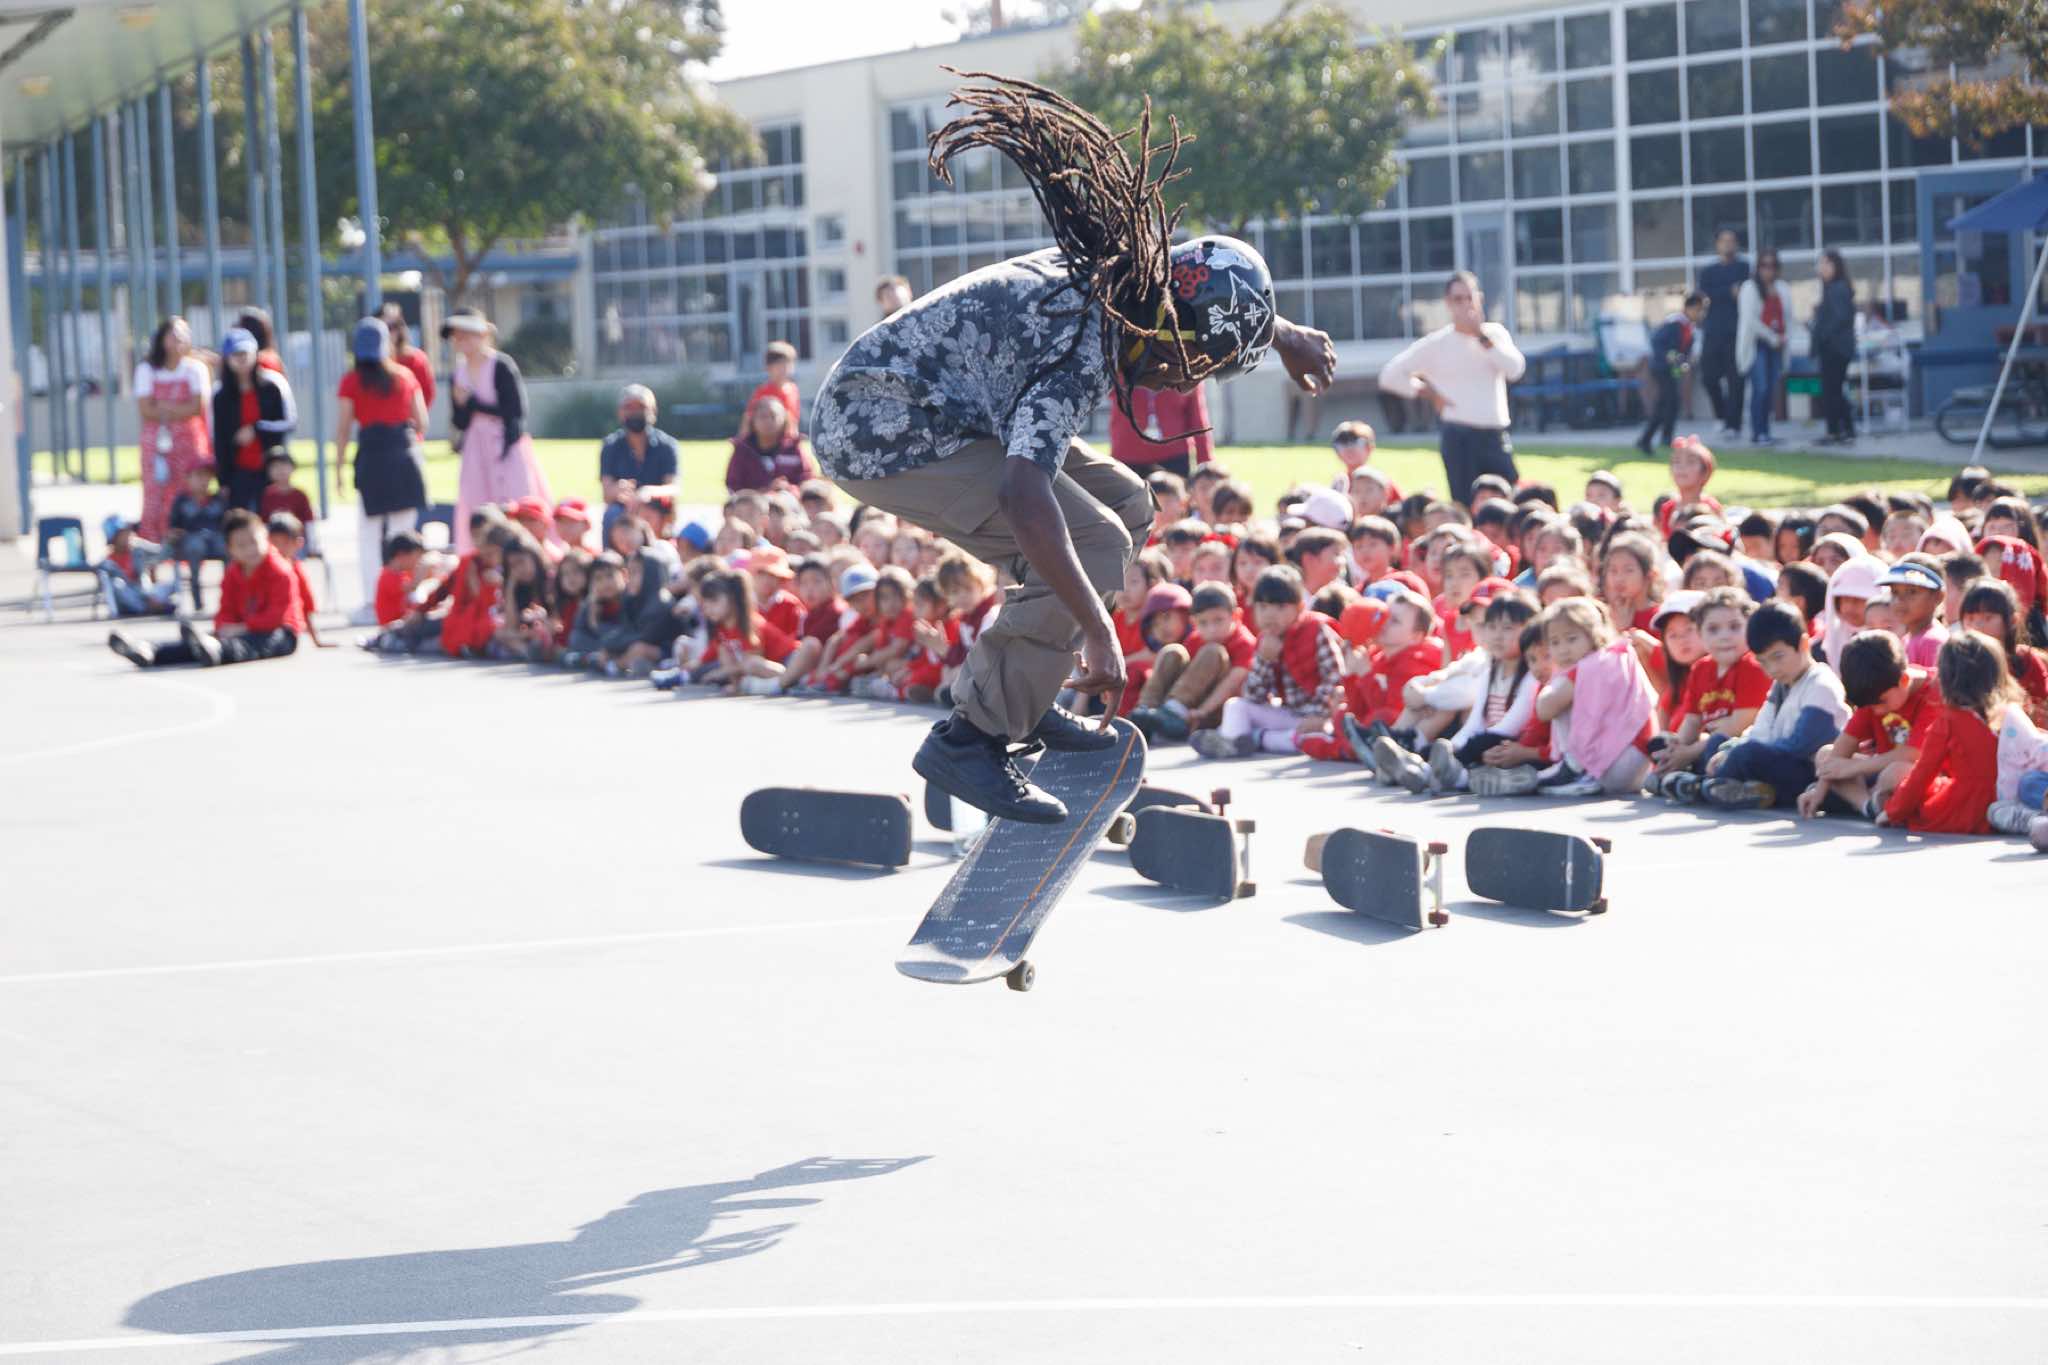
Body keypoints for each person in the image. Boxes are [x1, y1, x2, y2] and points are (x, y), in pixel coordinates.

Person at [811, 74, 1334, 823]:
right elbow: (1021, 495)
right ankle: (972, 739)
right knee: (1091, 541)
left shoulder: (1124, 280)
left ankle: (1019, 691)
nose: (1185, 380)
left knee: (1127, 503)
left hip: (937, 407)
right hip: (882, 433)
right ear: (1169, 334)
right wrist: (1096, 631)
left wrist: (1281, 333)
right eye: (1195, 364)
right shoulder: (1081, 348)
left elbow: (1201, 285)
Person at [1377, 271, 1525, 506]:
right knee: (1464, 503)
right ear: (1448, 303)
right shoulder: (1437, 344)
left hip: (1494, 433)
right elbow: (1390, 376)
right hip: (1459, 435)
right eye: (1458, 299)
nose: (1465, 305)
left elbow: (1515, 369)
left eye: (1469, 298)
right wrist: (1426, 392)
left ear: (1479, 299)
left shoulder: (1494, 334)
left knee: (1509, 500)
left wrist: (1481, 337)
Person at [1698, 601, 1851, 808]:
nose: (1772, 669)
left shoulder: (1821, 684)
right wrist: (1730, 748)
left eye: (1778, 657)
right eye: (1763, 662)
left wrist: (1738, 753)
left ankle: (1705, 786)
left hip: (1810, 771)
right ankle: (1731, 787)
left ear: (1803, 644)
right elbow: (1761, 730)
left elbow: (1799, 746)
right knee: (1718, 742)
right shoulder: (1782, 684)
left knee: (1747, 754)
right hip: (1781, 757)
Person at [107, 509, 304, 668]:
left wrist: (241, 628)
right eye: (242, 545)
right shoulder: (233, 573)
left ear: (265, 539)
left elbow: (275, 617)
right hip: (242, 629)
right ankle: (152, 651)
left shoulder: (281, 572)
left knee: (260, 642)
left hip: (280, 632)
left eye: (254, 542)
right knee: (200, 642)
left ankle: (218, 650)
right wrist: (223, 627)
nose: (250, 549)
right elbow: (226, 609)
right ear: (230, 550)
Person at [1189, 565, 1345, 758]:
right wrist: (1264, 660)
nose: (1270, 615)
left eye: (1280, 607)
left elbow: (1335, 678)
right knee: (1236, 706)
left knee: (1319, 735)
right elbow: (1254, 697)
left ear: (1299, 608)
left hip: (1320, 717)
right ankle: (1235, 743)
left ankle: (1255, 739)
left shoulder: (1316, 629)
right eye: (1262, 607)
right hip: (1290, 714)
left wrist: (1320, 714)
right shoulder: (1265, 640)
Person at [334, 317, 429, 618]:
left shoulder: (351, 381)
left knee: (368, 533)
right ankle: (407, 595)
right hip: (403, 455)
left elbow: (343, 429)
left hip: (372, 458)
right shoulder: (405, 376)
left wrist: (338, 469)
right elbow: (422, 422)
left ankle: (372, 601)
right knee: (404, 531)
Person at [445, 306, 551, 550]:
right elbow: (460, 421)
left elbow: (514, 410)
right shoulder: (458, 374)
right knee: (475, 501)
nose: (462, 341)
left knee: (515, 499)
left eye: (467, 334)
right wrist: (462, 405)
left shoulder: (501, 365)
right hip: (476, 448)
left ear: (482, 335)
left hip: (505, 444)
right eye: (458, 336)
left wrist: (473, 403)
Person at [1880, 631, 2006, 833]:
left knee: (1916, 794)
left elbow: (1922, 774)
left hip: (1965, 808)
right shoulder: (2007, 714)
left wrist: (1893, 811)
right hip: (2003, 796)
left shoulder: (1948, 722)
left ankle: (1880, 806)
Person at [134, 317, 213, 542]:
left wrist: (163, 407)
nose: (179, 340)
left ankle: (189, 540)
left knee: (189, 489)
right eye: (173, 335)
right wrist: (180, 409)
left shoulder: (195, 369)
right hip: (157, 443)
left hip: (189, 442)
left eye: (183, 335)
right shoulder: (147, 369)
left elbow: (197, 407)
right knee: (156, 491)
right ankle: (153, 541)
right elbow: (146, 409)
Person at [210, 327, 297, 510]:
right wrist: (223, 480)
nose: (241, 359)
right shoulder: (220, 395)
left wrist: (257, 429)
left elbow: (289, 422)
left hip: (272, 472)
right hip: (238, 474)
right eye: (236, 354)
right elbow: (218, 440)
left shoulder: (273, 384)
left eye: (245, 353)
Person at [597, 384, 680, 538]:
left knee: (657, 514)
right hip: (624, 509)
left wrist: (648, 492)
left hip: (655, 507)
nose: (635, 412)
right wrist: (618, 489)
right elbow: (606, 493)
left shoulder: (667, 446)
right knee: (611, 514)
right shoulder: (610, 446)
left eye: (641, 407)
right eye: (629, 407)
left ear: (653, 412)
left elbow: (673, 488)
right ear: (620, 413)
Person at [1636, 291, 1708, 455]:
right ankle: (1655, 439)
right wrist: (1669, 356)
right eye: (1698, 309)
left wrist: (1684, 361)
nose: (1700, 314)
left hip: (1672, 370)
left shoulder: (1689, 327)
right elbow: (1657, 342)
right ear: (1688, 308)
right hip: (1661, 368)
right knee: (1668, 403)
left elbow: (1684, 350)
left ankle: (1657, 438)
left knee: (1669, 404)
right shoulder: (1674, 323)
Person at [1697, 229, 1750, 438]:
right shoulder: (1708, 271)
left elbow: (1744, 292)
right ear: (1717, 244)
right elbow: (1705, 294)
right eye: (1723, 240)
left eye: (1731, 240)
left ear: (1736, 244)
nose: (1727, 244)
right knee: (1709, 377)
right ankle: (1721, 415)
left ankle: (1733, 424)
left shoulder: (1744, 268)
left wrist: (1722, 292)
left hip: (1737, 332)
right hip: (1713, 331)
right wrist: (1729, 291)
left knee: (1736, 380)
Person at [1735, 248, 1791, 446]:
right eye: (1765, 266)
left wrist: (1782, 338)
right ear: (1758, 267)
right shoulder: (1749, 288)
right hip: (1757, 345)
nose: (1769, 270)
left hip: (1776, 346)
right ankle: (1757, 432)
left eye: (1773, 266)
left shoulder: (1781, 288)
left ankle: (1766, 431)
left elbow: (1788, 318)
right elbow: (1750, 321)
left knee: (1770, 389)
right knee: (1760, 388)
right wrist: (1771, 337)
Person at [1107, 375, 1212, 480]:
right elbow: (1107, 389)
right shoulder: (1122, 368)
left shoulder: (1186, 371)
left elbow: (1197, 418)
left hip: (1174, 458)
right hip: (1127, 457)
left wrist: (1205, 461)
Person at [726, 395, 819, 494]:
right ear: (752, 420)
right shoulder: (742, 450)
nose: (768, 421)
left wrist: (789, 489)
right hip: (752, 502)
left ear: (785, 419)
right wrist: (764, 492)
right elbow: (733, 486)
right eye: (763, 416)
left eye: (773, 416)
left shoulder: (793, 448)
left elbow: (807, 480)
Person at [1813, 249, 1858, 445]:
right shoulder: (1831, 288)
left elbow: (1840, 318)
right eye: (1821, 263)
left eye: (1827, 263)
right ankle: (1839, 430)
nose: (1822, 268)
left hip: (1835, 348)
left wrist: (1822, 334)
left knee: (1833, 390)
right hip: (1834, 347)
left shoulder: (1838, 288)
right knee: (1832, 390)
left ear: (1836, 266)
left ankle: (1841, 430)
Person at [379, 303, 435, 408]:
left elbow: (427, 395)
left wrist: (411, 415)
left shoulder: (416, 359)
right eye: (385, 327)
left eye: (394, 326)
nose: (390, 332)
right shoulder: (372, 362)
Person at [742, 341, 802, 436]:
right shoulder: (763, 392)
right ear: (768, 368)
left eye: (787, 365)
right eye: (779, 366)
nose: (784, 370)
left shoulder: (793, 389)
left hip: (787, 440)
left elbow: (794, 420)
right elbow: (748, 419)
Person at [257, 451, 315, 529]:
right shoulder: (266, 494)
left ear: (293, 468)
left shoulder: (300, 495)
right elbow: (262, 522)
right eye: (275, 466)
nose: (280, 470)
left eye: (284, 465)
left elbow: (309, 523)